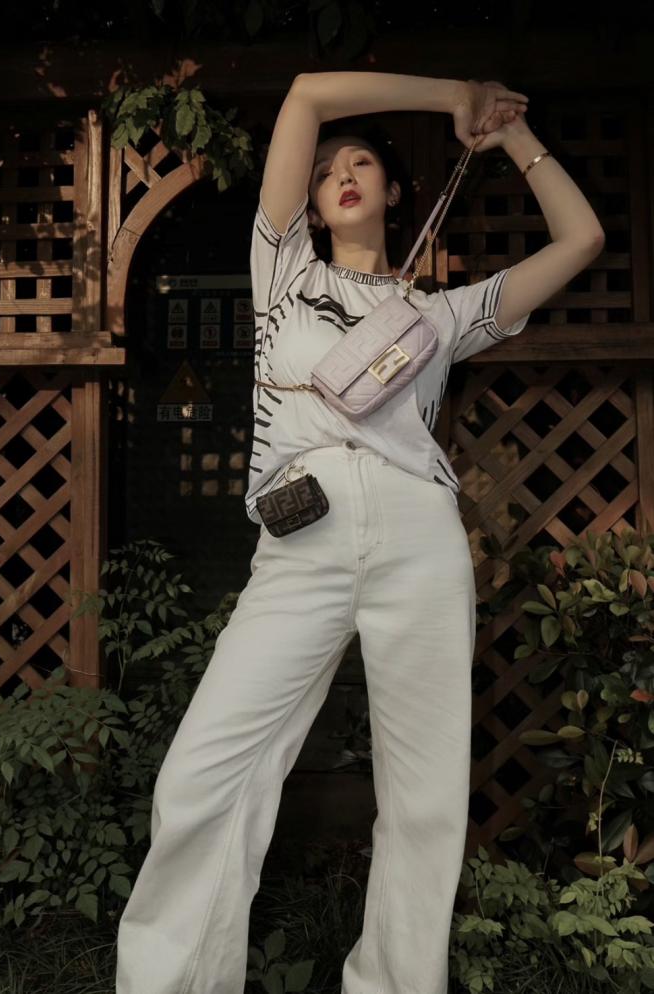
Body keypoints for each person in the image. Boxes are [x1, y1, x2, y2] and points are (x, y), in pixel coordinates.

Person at [116, 72, 605, 994]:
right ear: (309, 202)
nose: (342, 172)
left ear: (392, 190)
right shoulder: (283, 271)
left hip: (418, 533)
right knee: (203, 772)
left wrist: (509, 136)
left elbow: (582, 241)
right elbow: (304, 95)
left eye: (362, 164)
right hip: (302, 534)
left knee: (423, 796)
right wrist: (455, 94)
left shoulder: (442, 314)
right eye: (328, 168)